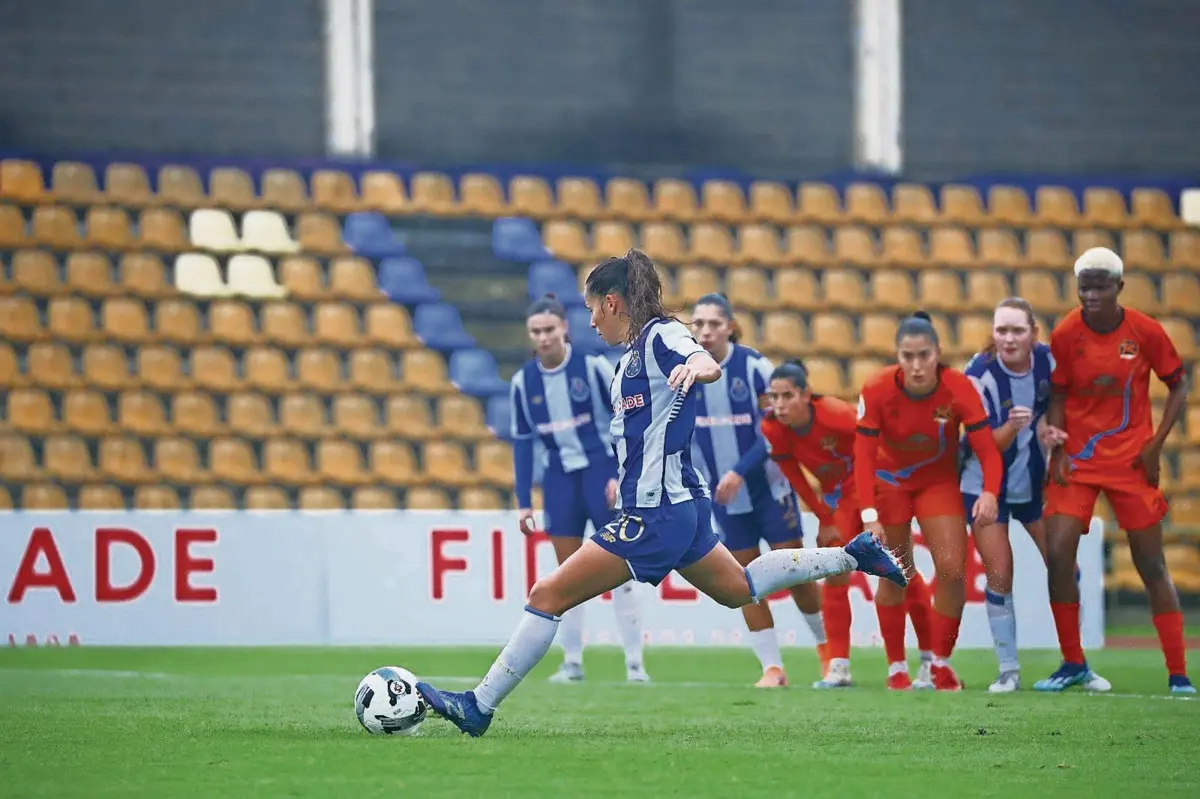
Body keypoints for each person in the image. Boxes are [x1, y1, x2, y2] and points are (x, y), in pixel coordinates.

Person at [416, 249, 907, 737]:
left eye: (591, 309)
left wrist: (698, 367)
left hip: (655, 513)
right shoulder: (629, 358)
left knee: (548, 594)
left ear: (612, 303)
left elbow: (699, 356)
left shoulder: (659, 336)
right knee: (739, 588)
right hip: (677, 507)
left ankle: (478, 705)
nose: (589, 322)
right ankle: (851, 556)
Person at [1036, 247, 1195, 694]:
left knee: (1151, 563)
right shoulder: (1066, 332)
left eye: (1100, 285)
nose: (1090, 294)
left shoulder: (1145, 331)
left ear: (1119, 287)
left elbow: (1179, 383)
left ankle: (1178, 672)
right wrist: (1060, 450)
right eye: (1084, 286)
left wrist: (1155, 445)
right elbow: (1059, 394)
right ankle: (1073, 663)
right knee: (1058, 552)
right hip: (1079, 461)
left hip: (1130, 461)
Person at [961, 297, 1111, 694]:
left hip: (1031, 483)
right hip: (982, 487)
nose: (1008, 339)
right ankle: (1008, 670)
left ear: (1034, 334)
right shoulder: (979, 375)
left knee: (1064, 567)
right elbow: (981, 444)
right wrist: (1012, 428)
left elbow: (1053, 410)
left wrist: (1048, 431)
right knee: (1000, 573)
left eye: (1017, 330)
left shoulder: (1047, 363)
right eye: (1001, 330)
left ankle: (1075, 661)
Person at [762, 359, 937, 689]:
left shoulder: (836, 414)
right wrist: (823, 516)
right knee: (835, 571)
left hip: (877, 486)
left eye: (787, 396)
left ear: (806, 395)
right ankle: (839, 666)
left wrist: (884, 501)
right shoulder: (772, 428)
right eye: (774, 397)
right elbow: (796, 477)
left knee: (901, 570)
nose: (780, 405)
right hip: (840, 498)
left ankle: (929, 661)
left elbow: (876, 449)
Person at [856, 311, 1004, 691]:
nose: (917, 365)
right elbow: (863, 458)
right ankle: (896, 668)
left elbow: (988, 450)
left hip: (938, 483)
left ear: (938, 352)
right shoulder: (875, 389)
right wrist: (868, 514)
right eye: (908, 356)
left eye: (924, 355)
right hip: (889, 483)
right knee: (894, 573)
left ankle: (939, 663)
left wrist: (989, 491)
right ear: (897, 356)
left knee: (953, 569)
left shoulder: (958, 387)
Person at [688, 294, 826, 688]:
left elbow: (774, 429)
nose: (706, 331)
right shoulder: (685, 373)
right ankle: (772, 668)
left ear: (730, 326)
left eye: (714, 323)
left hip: (769, 489)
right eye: (698, 324)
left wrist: (739, 471)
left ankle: (829, 654)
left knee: (796, 572)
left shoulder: (753, 367)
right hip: (725, 498)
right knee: (745, 581)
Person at [510, 294, 647, 683]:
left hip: (599, 473)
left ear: (564, 328)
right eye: (536, 332)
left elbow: (625, 420)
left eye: (549, 329)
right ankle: (572, 663)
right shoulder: (524, 382)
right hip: (559, 482)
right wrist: (524, 502)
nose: (544, 337)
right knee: (567, 574)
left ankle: (635, 664)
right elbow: (523, 443)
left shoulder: (592, 368)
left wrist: (621, 475)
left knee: (622, 567)